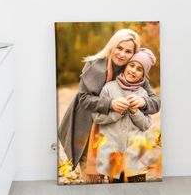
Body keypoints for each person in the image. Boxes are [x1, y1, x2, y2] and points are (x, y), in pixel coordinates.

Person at [58, 29, 161, 183]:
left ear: (133, 54)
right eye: (119, 48)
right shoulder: (94, 65)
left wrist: (143, 102)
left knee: (118, 174)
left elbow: (155, 102)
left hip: (114, 131)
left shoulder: (133, 70)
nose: (122, 54)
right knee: (93, 179)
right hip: (88, 122)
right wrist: (111, 103)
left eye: (128, 51)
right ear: (111, 46)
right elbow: (84, 99)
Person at [92, 48, 156, 183]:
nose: (133, 70)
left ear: (143, 75)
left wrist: (135, 112)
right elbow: (96, 117)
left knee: (137, 192)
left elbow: (146, 124)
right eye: (131, 65)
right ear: (125, 66)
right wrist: (116, 112)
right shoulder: (109, 88)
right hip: (111, 154)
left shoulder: (143, 94)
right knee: (114, 191)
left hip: (135, 156)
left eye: (139, 69)